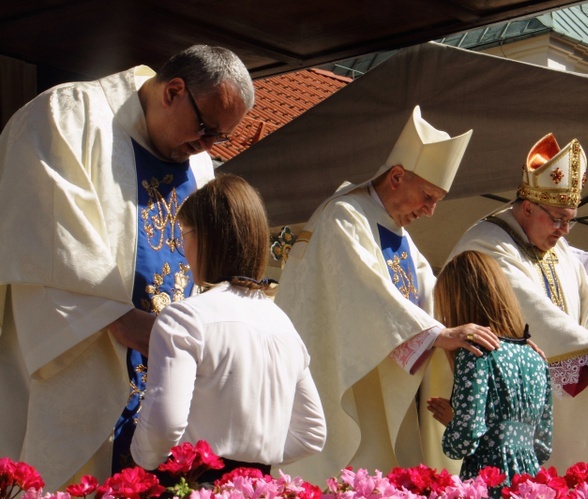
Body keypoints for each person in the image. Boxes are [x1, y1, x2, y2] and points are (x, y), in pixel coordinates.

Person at [0, 45, 254, 490]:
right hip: (82, 348)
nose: (207, 147)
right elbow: (46, 232)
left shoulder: (194, 157)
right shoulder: (70, 115)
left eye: (220, 139)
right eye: (205, 129)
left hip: (162, 375)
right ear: (173, 91)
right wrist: (121, 318)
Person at [274, 105, 501, 485]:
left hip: (376, 382)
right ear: (396, 176)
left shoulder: (400, 235)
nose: (430, 211)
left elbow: (432, 297)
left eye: (437, 202)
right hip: (339, 377)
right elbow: (366, 291)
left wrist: (494, 339)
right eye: (427, 196)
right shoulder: (344, 216)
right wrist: (435, 335)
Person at [448, 132, 588, 471]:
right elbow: (529, 305)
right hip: (506, 403)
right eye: (558, 218)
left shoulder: (557, 247)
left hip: (555, 388)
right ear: (529, 207)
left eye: (570, 220)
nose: (564, 230)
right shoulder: (487, 242)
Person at [130, 174, 326, 480]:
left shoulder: (185, 318)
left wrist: (144, 462)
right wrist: (253, 464)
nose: (184, 249)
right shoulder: (283, 325)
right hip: (257, 487)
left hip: (195, 480)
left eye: (185, 234)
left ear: (206, 238)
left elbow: (165, 424)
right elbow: (313, 432)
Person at [431, 250, 552, 490]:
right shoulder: (536, 356)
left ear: (457, 304)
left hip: (489, 479)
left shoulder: (475, 352)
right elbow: (543, 446)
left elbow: (462, 442)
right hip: (530, 482)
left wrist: (454, 423)